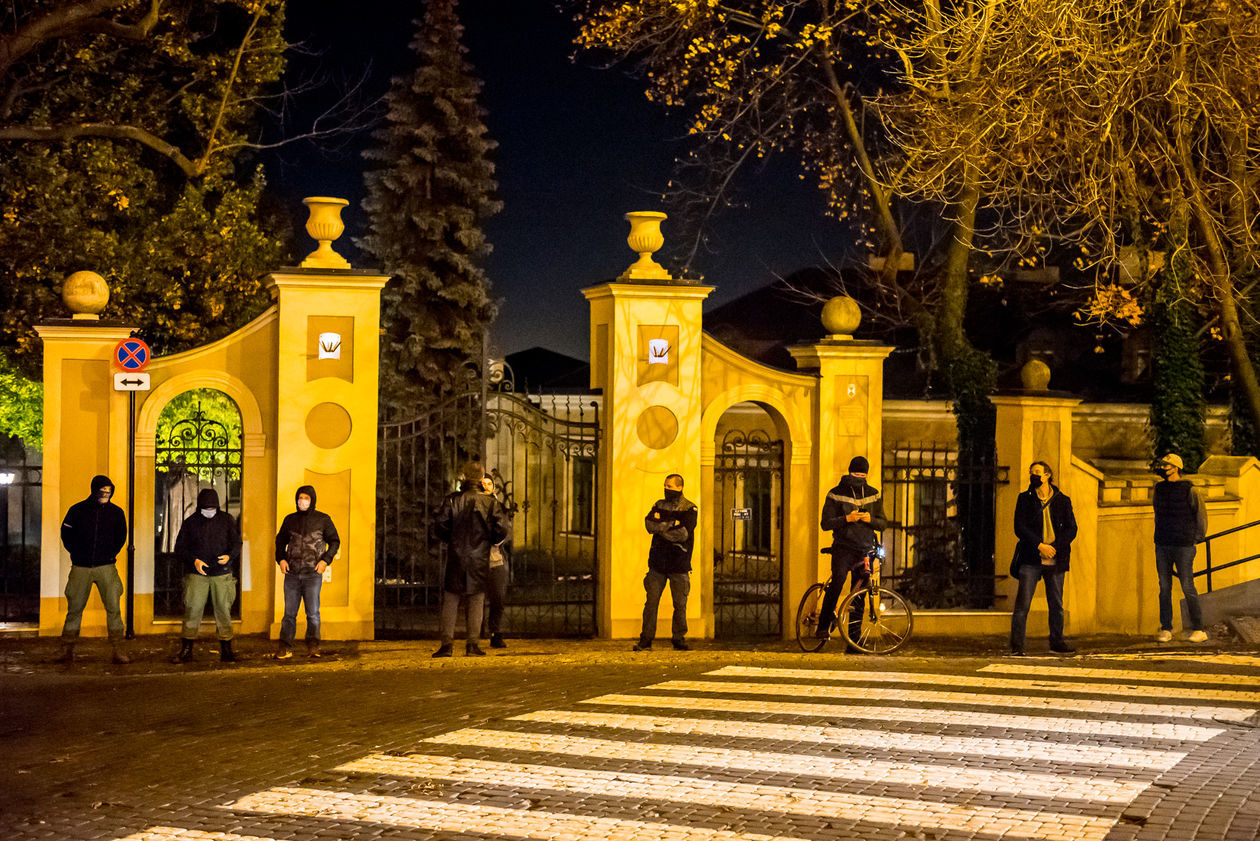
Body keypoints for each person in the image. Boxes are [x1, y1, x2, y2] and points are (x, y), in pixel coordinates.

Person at [433, 461, 509, 657]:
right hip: (479, 557)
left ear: (464, 477)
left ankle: (447, 644)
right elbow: (501, 529)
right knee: (476, 600)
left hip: (457, 555)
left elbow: (440, 525)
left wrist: (451, 538)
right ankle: (472, 644)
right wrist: (490, 539)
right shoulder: (490, 502)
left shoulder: (452, 500)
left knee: (451, 598)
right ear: (482, 477)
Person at [56, 475, 130, 664]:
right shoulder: (77, 510)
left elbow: (122, 535)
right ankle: (67, 649)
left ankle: (118, 648)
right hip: (81, 566)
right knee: (74, 608)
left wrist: (110, 552)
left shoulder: (116, 513)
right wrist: (77, 551)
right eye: (103, 490)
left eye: (109, 491)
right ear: (94, 490)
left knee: (113, 607)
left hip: (106, 566)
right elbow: (66, 534)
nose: (106, 494)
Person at [1009, 461, 1078, 656]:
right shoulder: (1024, 499)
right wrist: (1039, 545)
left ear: (1047, 475)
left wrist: (1054, 548)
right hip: (1031, 557)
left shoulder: (1062, 500)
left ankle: (1057, 642)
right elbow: (1019, 527)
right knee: (1023, 604)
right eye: (1031, 473)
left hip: (1056, 558)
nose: (1033, 476)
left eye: (1037, 473)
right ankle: (1017, 646)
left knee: (1056, 603)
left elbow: (1072, 529)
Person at [818, 457, 887, 648]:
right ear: (849, 473)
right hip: (843, 547)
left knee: (859, 595)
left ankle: (854, 642)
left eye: (863, 474)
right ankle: (823, 625)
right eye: (856, 474)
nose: (859, 477)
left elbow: (883, 523)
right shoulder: (835, 493)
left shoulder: (873, 494)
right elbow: (825, 523)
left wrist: (869, 519)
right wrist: (847, 518)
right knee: (838, 581)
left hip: (865, 548)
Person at [171, 488, 242, 663]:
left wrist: (229, 556)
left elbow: (237, 543)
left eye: (212, 509)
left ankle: (227, 649)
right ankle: (186, 649)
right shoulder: (190, 523)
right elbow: (180, 548)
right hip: (197, 573)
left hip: (222, 573)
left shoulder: (227, 520)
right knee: (192, 609)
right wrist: (194, 560)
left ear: (217, 507)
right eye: (206, 509)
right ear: (200, 507)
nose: (209, 512)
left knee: (223, 610)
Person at [634, 473, 698, 652]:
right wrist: (669, 525)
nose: (666, 489)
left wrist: (661, 528)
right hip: (657, 563)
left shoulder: (690, 508)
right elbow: (649, 524)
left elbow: (683, 533)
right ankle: (645, 640)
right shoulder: (659, 504)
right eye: (665, 486)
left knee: (679, 604)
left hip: (679, 563)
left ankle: (679, 638)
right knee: (651, 602)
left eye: (670, 486)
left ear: (680, 487)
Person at [275, 485, 340, 659]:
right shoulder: (290, 520)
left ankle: (313, 647)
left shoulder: (323, 520)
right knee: (289, 613)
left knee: (313, 613)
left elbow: (334, 541)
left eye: (306, 498)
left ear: (312, 500)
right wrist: (281, 559)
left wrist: (325, 561)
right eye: (300, 498)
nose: (302, 501)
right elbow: (279, 540)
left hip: (312, 573)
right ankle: (285, 647)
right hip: (292, 573)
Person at [1152, 453, 1209, 643]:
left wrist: (1196, 538)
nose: (1163, 468)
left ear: (1176, 467)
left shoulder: (1190, 490)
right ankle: (1166, 628)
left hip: (1183, 545)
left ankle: (1199, 628)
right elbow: (1157, 513)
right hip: (1163, 543)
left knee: (1187, 586)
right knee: (1164, 587)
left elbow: (1200, 516)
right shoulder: (1159, 489)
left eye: (1166, 465)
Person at [481, 475, 511, 649]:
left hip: (496, 559)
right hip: (478, 559)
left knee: (498, 598)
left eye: (489, 483)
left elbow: (505, 528)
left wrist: (500, 539)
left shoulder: (498, 506)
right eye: (483, 484)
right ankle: (474, 635)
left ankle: (496, 633)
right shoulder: (474, 505)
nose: (486, 486)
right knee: (475, 599)